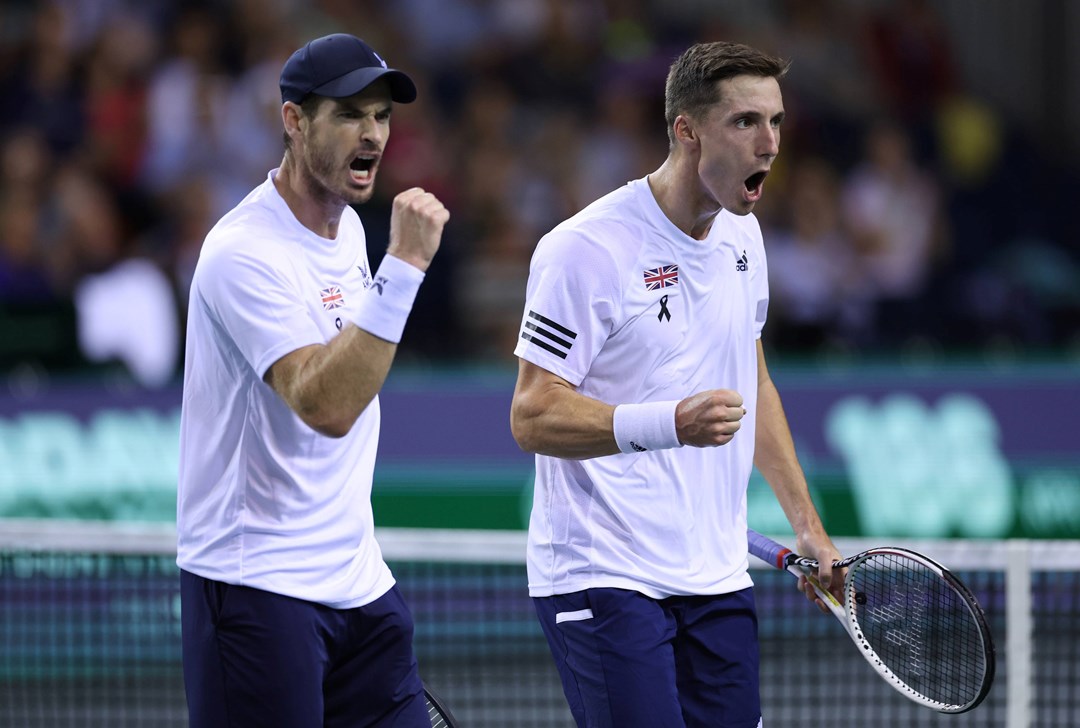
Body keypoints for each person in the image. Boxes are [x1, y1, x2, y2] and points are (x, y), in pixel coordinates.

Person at [509, 41, 842, 728]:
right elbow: (532, 415)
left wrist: (808, 526)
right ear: (687, 130)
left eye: (776, 122)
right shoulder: (587, 250)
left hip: (716, 577)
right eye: (745, 122)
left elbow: (751, 377)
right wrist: (669, 424)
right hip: (604, 575)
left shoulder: (744, 239)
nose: (770, 144)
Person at [176, 33, 449, 727]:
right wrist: (407, 268)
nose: (374, 134)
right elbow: (325, 405)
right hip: (256, 589)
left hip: (360, 585)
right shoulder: (242, 253)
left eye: (382, 115)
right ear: (294, 122)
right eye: (351, 114)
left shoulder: (352, 232)